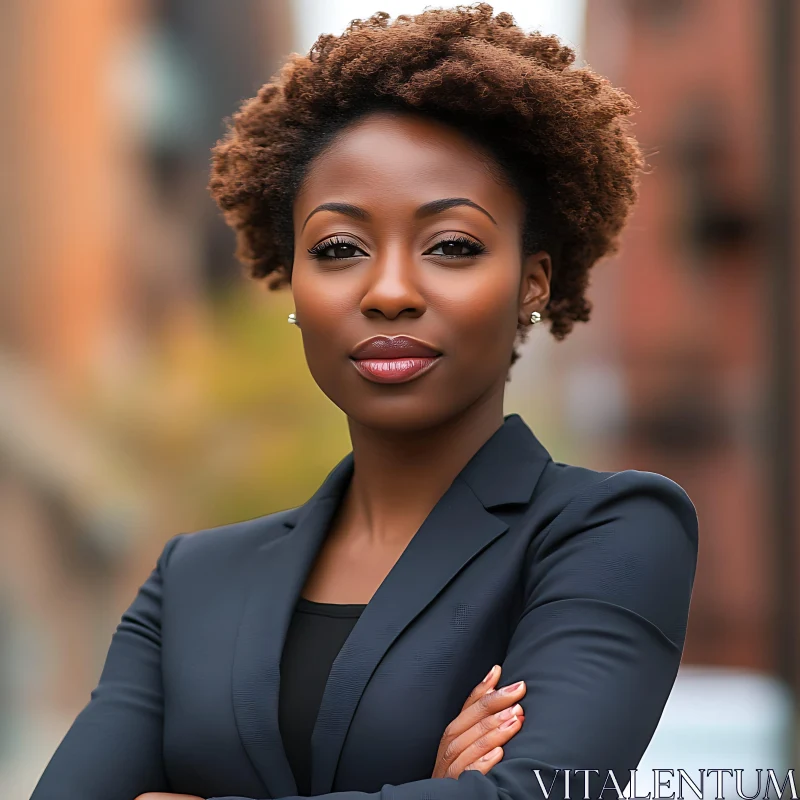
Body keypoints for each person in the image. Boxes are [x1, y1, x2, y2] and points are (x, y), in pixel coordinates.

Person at [30, 5, 699, 800]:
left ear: (533, 282)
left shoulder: (608, 532)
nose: (387, 293)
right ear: (294, 284)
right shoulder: (193, 582)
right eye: (339, 249)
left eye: (452, 245)